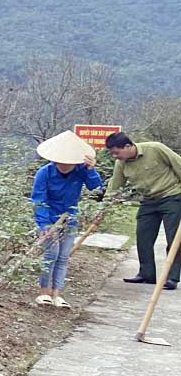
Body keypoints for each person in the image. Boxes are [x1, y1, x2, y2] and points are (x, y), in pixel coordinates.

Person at [31, 131, 103, 308]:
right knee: (51, 254)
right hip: (49, 218)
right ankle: (44, 293)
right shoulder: (44, 173)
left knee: (63, 257)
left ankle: (58, 294)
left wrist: (91, 170)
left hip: (70, 218)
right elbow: (38, 200)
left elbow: (98, 190)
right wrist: (44, 224)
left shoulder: (81, 171)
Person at [105, 132, 181, 290]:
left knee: (174, 239)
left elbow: (178, 165)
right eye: (111, 153)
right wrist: (106, 205)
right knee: (143, 237)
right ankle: (146, 274)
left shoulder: (156, 149)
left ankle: (172, 278)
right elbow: (115, 186)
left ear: (128, 146)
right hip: (148, 200)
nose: (114, 156)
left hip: (172, 196)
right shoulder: (122, 163)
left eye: (116, 152)